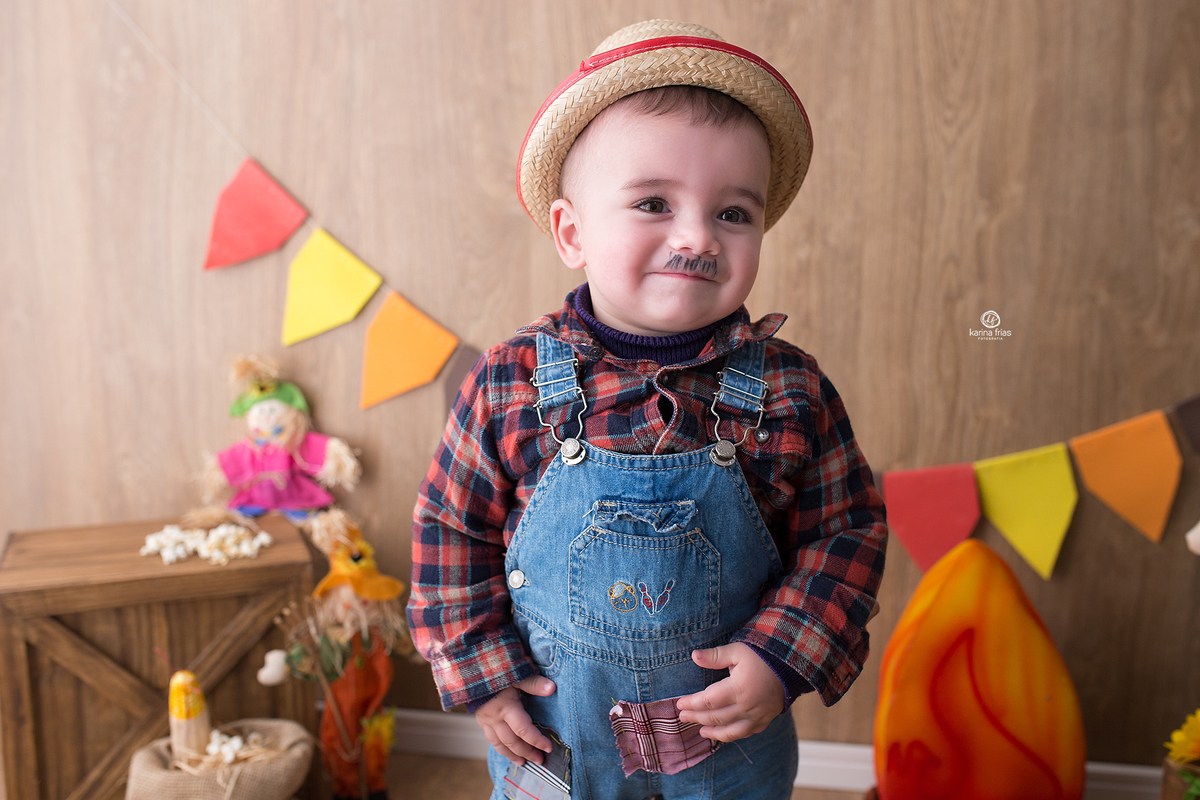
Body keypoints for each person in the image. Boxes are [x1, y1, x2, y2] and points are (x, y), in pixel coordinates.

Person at [408, 19, 887, 800]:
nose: (698, 236)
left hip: (724, 747)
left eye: (735, 212)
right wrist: (480, 673)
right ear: (573, 232)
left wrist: (780, 655)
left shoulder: (790, 390)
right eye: (654, 202)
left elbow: (848, 533)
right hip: (554, 738)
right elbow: (448, 531)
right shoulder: (509, 382)